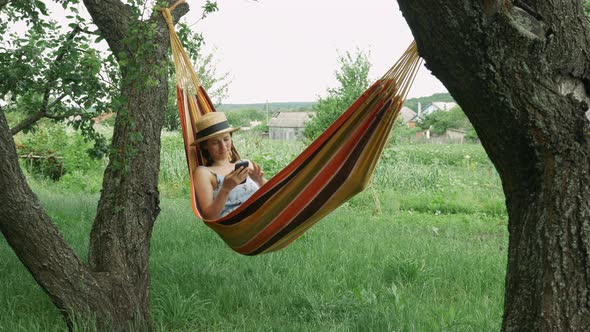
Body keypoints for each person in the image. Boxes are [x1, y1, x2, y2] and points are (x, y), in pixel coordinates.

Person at [192, 112, 267, 219]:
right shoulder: (204, 173)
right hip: (240, 225)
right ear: (205, 146)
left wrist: (260, 181)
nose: (223, 147)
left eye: (226, 139)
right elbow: (209, 216)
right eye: (215, 142)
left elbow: (273, 197)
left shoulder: (246, 164)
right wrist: (225, 189)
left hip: (265, 214)